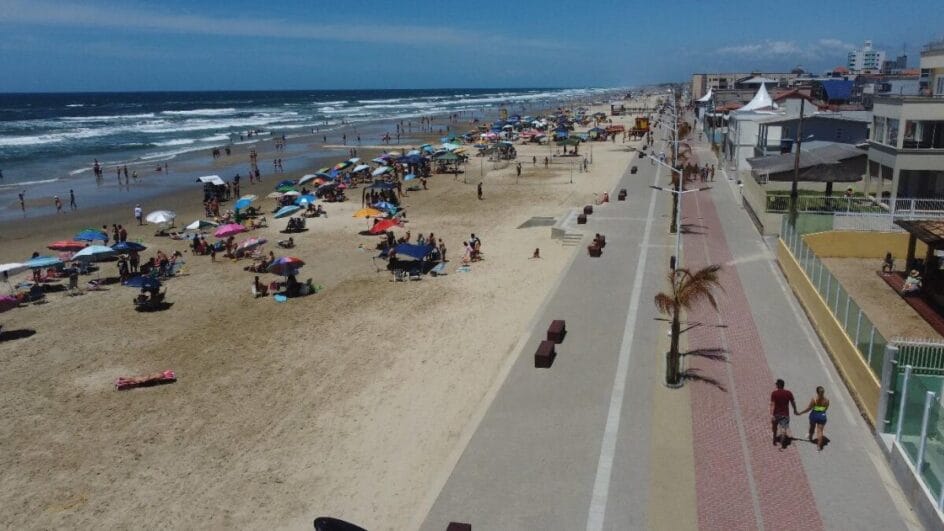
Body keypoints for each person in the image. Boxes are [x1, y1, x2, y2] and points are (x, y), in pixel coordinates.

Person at [796, 386, 830, 451]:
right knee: (820, 431)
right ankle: (819, 447)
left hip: (814, 415)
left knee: (812, 427)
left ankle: (810, 438)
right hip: (822, 416)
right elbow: (825, 409)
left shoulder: (814, 399)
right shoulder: (827, 400)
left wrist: (800, 413)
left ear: (817, 392)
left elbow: (808, 409)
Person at [771, 379, 798, 449]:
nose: (776, 385)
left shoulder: (774, 393)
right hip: (785, 414)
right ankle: (782, 445)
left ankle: (774, 437)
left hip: (776, 414)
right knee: (783, 429)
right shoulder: (788, 393)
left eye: (776, 384)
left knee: (774, 426)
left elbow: (772, 405)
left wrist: (772, 414)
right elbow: (793, 403)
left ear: (779, 385)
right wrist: (795, 410)